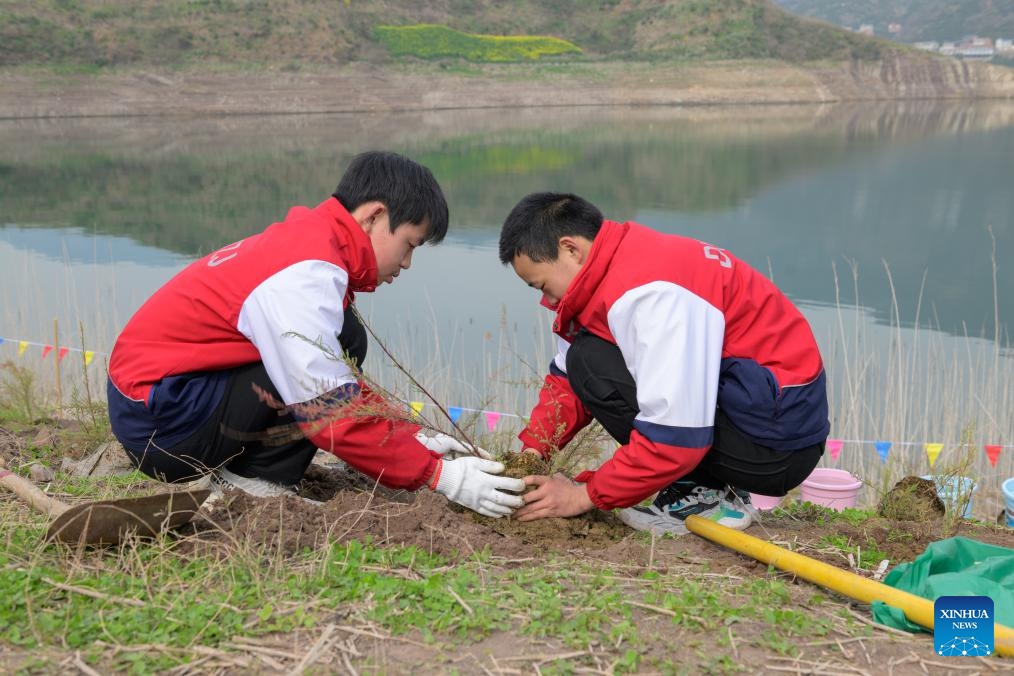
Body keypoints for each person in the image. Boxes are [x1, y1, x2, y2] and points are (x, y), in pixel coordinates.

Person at [107, 151, 524, 518]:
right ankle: (253, 489)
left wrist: (415, 435)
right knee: (313, 366)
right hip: (161, 426)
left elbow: (333, 382)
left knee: (342, 338)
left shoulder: (312, 245)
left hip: (170, 402)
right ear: (375, 215)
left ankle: (247, 477)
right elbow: (329, 410)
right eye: (409, 244)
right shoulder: (305, 274)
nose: (408, 262)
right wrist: (443, 477)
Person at [498, 192, 828, 535]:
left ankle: (705, 495)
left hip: (776, 447)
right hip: (753, 415)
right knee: (586, 358)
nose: (545, 299)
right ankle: (705, 487)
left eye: (542, 284)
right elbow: (567, 379)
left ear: (571, 249)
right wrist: (532, 453)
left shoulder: (651, 293)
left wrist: (583, 496)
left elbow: (675, 436)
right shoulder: (617, 267)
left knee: (591, 363)